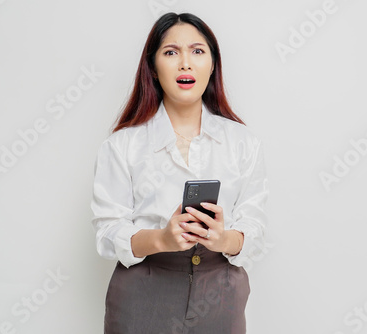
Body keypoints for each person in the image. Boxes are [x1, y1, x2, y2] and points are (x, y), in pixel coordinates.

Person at [90, 12, 269, 334]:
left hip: (221, 293)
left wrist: (222, 238)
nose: (185, 63)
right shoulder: (122, 145)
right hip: (142, 293)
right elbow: (107, 233)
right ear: (154, 68)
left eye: (197, 51)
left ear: (213, 65)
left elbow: (254, 226)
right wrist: (161, 238)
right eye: (171, 52)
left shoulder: (243, 142)